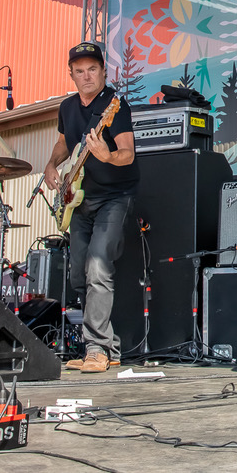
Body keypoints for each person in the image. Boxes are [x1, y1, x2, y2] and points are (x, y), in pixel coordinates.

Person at [44, 41, 138, 374]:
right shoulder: (68, 107)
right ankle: (108, 348)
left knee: (99, 267)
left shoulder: (115, 105)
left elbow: (128, 153)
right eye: (80, 71)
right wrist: (52, 165)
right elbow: (64, 141)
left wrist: (108, 155)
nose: (87, 76)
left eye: (93, 69)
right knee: (78, 274)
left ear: (103, 71)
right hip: (78, 200)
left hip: (115, 196)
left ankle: (95, 348)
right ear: (71, 74)